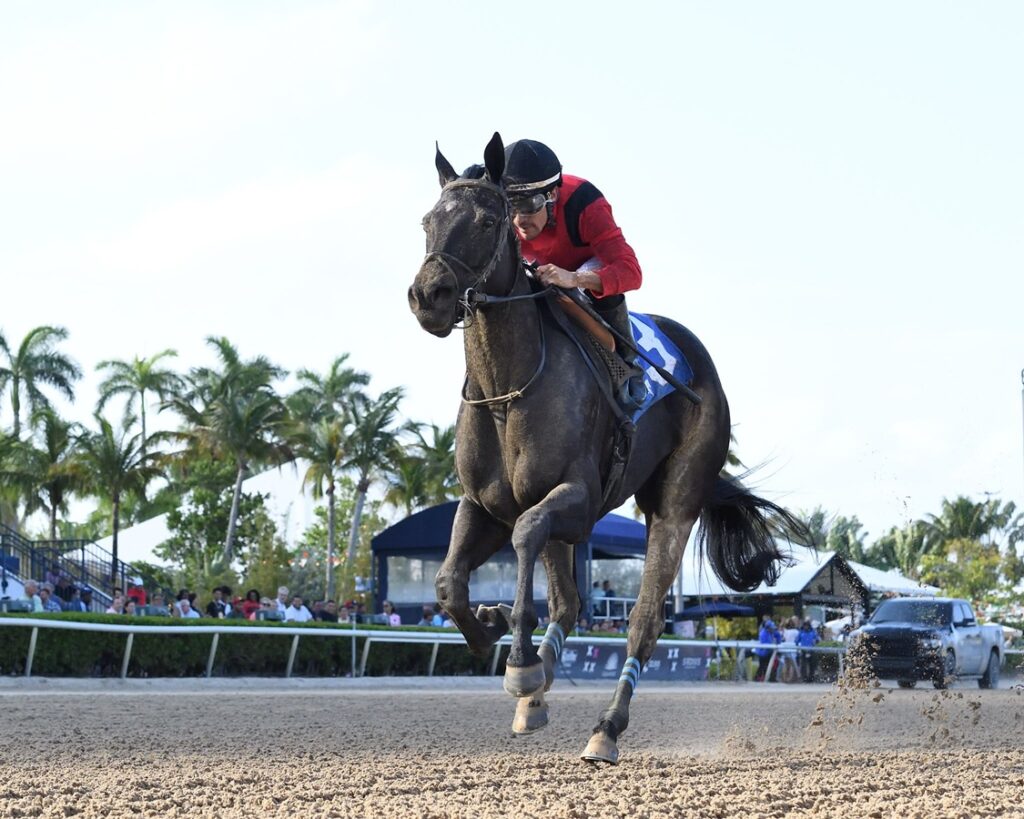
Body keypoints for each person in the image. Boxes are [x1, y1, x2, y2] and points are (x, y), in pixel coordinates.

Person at [502, 138, 646, 407]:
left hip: (583, 268)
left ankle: (626, 366)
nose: (520, 219)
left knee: (566, 291)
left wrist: (574, 278)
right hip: (537, 267)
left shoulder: (585, 203)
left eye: (530, 205)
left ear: (551, 196)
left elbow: (631, 272)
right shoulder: (504, 215)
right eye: (512, 206)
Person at [755, 615, 780, 682]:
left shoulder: (771, 632)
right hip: (763, 653)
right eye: (772, 628)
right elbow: (767, 644)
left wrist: (777, 635)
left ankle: (771, 678)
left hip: (769, 652)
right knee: (763, 666)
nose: (773, 629)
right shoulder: (763, 634)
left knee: (775, 662)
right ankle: (758, 679)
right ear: (768, 628)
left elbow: (778, 639)